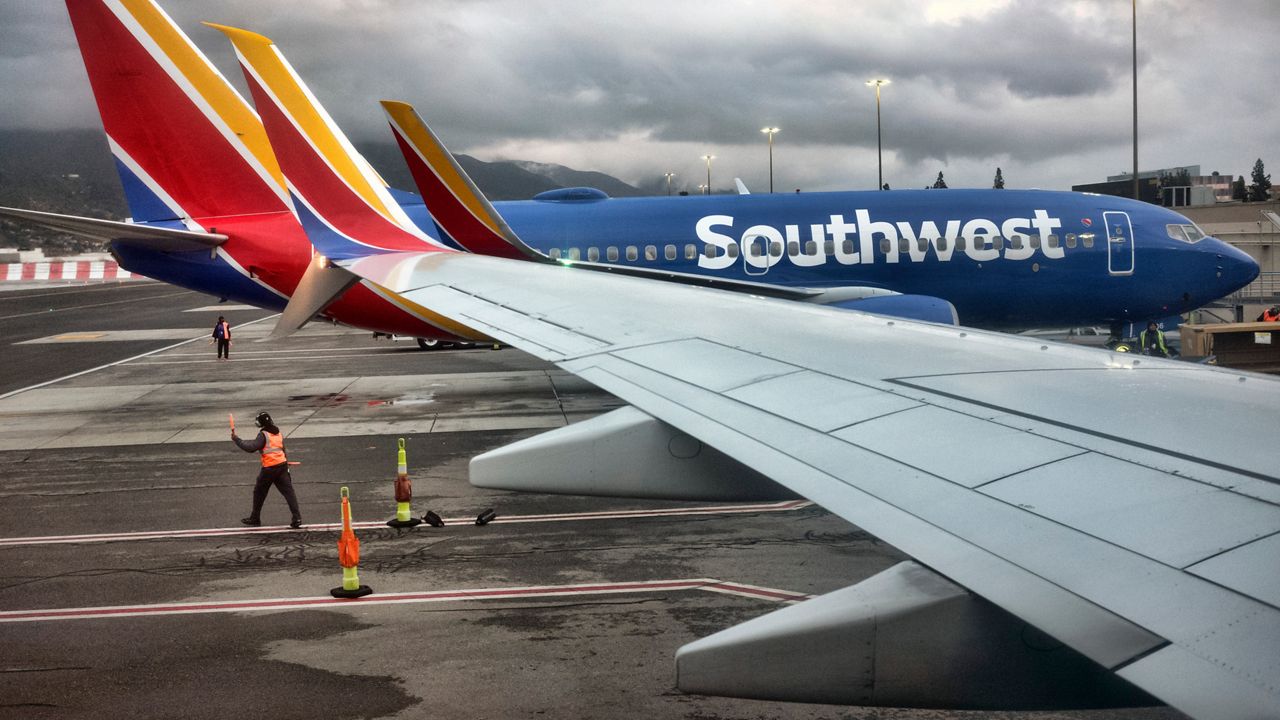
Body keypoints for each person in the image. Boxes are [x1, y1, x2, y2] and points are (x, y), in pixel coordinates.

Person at [233, 411, 302, 528]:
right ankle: (297, 518)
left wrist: (237, 439)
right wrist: (286, 465)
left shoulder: (263, 434)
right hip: (282, 466)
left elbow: (251, 448)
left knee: (259, 492)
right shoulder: (278, 432)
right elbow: (283, 449)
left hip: (269, 469)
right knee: (289, 493)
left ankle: (255, 517)